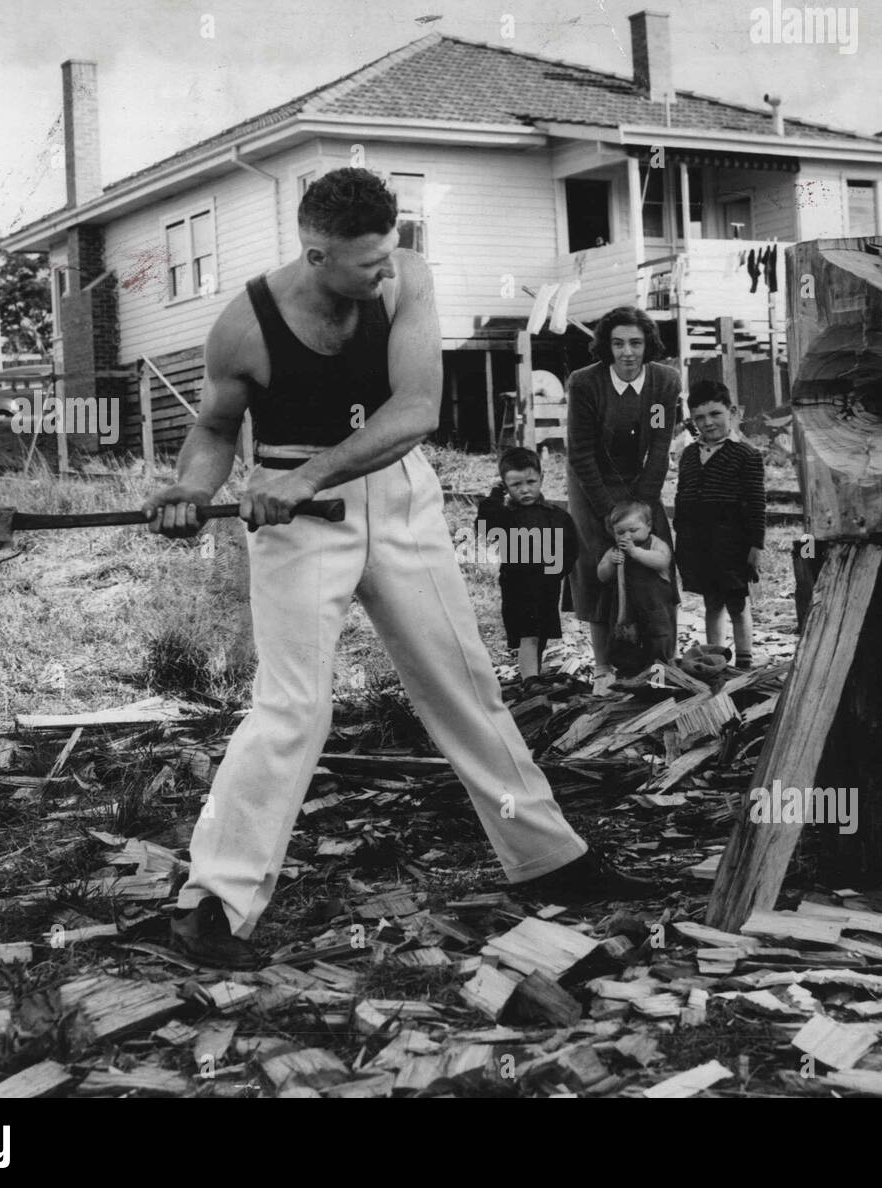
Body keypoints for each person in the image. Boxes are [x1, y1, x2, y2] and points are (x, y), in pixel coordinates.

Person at [142, 168, 649, 968]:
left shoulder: (407, 275)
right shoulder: (244, 324)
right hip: (294, 516)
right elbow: (214, 428)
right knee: (292, 707)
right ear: (316, 254)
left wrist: (310, 475)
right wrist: (188, 491)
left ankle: (551, 857)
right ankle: (215, 901)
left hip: (390, 491)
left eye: (390, 251)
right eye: (367, 261)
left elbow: (416, 409)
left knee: (462, 680)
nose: (387, 269)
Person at [566, 306, 680, 692]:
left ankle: (662, 664)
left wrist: (644, 506)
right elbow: (579, 453)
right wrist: (607, 512)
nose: (627, 352)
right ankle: (603, 669)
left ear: (647, 344)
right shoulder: (585, 384)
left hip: (640, 482)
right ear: (606, 347)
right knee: (600, 563)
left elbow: (661, 446)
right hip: (591, 484)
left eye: (635, 342)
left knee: (656, 554)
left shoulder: (664, 383)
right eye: (618, 343)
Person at [673, 380, 766, 669]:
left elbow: (756, 504)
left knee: (737, 603)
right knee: (711, 602)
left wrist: (755, 547)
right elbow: (682, 495)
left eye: (715, 414)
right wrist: (682, 537)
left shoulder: (746, 455)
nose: (708, 423)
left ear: (732, 412)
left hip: (732, 544)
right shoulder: (689, 455)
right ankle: (716, 660)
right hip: (699, 544)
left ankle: (745, 661)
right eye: (699, 418)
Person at [475, 446, 578, 684]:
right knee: (527, 635)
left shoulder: (555, 515)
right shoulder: (505, 515)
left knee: (539, 635)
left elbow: (570, 547)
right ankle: (530, 682)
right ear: (505, 486)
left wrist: (557, 570)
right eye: (515, 485)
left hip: (547, 585)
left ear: (542, 478)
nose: (525, 489)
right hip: (517, 586)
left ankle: (534, 675)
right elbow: (483, 530)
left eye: (531, 482)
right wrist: (494, 497)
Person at [595, 500, 676, 676]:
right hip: (626, 612)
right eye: (620, 532)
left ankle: (658, 681)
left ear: (648, 526)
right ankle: (628, 680)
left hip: (654, 610)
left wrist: (635, 552)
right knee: (624, 648)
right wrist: (609, 562)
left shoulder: (655, 543)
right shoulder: (615, 550)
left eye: (633, 530)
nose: (627, 537)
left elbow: (662, 561)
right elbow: (602, 575)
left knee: (658, 644)